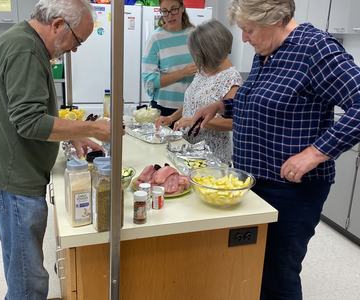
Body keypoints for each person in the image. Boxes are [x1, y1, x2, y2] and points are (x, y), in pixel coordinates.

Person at [190, 0, 360, 299]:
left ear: (275, 20)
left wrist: (316, 152)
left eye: (249, 30)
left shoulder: (316, 49)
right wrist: (221, 105)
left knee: (278, 274)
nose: (244, 38)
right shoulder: (266, 52)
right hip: (255, 182)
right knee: (254, 265)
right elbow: (260, 102)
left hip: (292, 190)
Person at [0, 1, 110, 299]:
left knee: (21, 267)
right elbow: (29, 122)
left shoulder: (22, 40)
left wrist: (71, 137)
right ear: (59, 24)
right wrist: (90, 128)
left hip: (6, 175)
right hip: (12, 182)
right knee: (27, 281)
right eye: (78, 40)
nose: (75, 50)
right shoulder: (26, 50)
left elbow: (28, 112)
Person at [156, 20, 242, 163]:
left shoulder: (232, 79)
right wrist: (172, 118)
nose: (197, 58)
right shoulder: (203, 71)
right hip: (189, 149)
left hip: (211, 156)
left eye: (199, 54)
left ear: (211, 51)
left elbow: (233, 122)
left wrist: (195, 121)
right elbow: (193, 100)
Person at [142, 0, 197, 117]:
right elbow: (149, 81)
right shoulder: (155, 39)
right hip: (163, 109)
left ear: (182, 8)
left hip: (191, 107)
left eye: (174, 9)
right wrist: (182, 73)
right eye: (165, 11)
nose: (170, 16)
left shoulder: (195, 35)